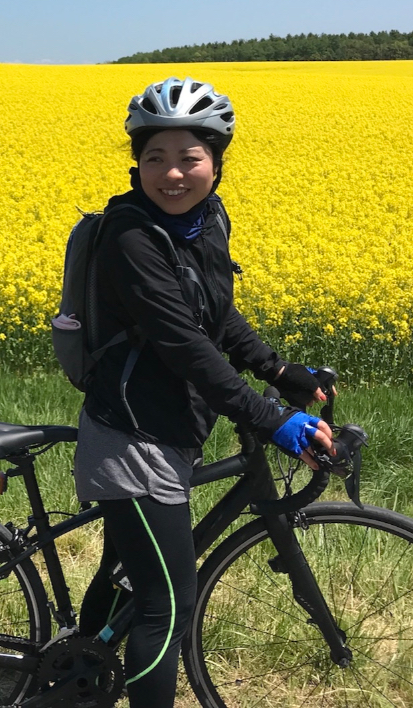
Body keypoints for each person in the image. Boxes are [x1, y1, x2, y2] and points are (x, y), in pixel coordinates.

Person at [73, 76, 335, 707]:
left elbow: (216, 317)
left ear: (216, 162)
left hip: (170, 428)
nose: (171, 174)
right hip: (132, 438)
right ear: (136, 163)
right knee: (167, 605)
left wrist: (279, 371)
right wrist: (271, 418)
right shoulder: (131, 236)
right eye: (154, 158)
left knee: (124, 571)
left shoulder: (203, 221)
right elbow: (181, 344)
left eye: (189, 158)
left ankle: (78, 675)